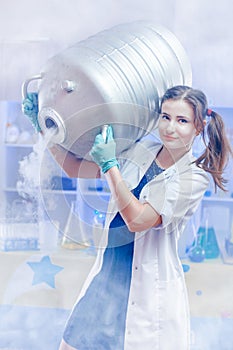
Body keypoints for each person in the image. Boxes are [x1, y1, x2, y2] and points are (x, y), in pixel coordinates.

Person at [22, 85, 232, 350]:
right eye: (165, 117)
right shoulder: (139, 151)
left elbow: (138, 220)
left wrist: (110, 167)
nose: (170, 127)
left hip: (145, 291)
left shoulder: (193, 177)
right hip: (106, 279)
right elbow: (73, 167)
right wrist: (44, 129)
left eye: (182, 121)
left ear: (198, 127)